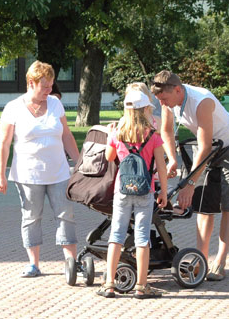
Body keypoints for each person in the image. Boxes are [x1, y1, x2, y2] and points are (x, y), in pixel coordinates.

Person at [151, 70, 229, 281]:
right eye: (160, 101)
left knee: (228, 204)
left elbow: (204, 147)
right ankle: (201, 259)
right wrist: (172, 158)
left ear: (177, 90)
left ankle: (220, 262)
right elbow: (167, 131)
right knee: (205, 205)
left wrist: (190, 183)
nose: (164, 104)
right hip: (208, 146)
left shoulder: (201, 101)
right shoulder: (168, 100)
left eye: (165, 99)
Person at [0, 60, 79, 278]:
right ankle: (34, 264)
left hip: (59, 171)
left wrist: (79, 163)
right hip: (27, 174)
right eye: (45, 87)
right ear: (31, 83)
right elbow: (4, 144)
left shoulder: (55, 104)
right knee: (31, 216)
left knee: (65, 214)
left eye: (51, 86)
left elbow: (67, 135)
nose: (49, 91)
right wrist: (0, 175)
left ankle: (71, 263)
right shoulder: (13, 108)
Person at [96, 89, 167, 299]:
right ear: (145, 109)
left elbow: (109, 157)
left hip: (122, 189)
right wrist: (163, 190)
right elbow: (161, 167)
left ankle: (109, 284)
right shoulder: (153, 135)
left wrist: (110, 136)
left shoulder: (118, 133)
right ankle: (142, 287)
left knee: (116, 235)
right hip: (146, 190)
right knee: (142, 238)